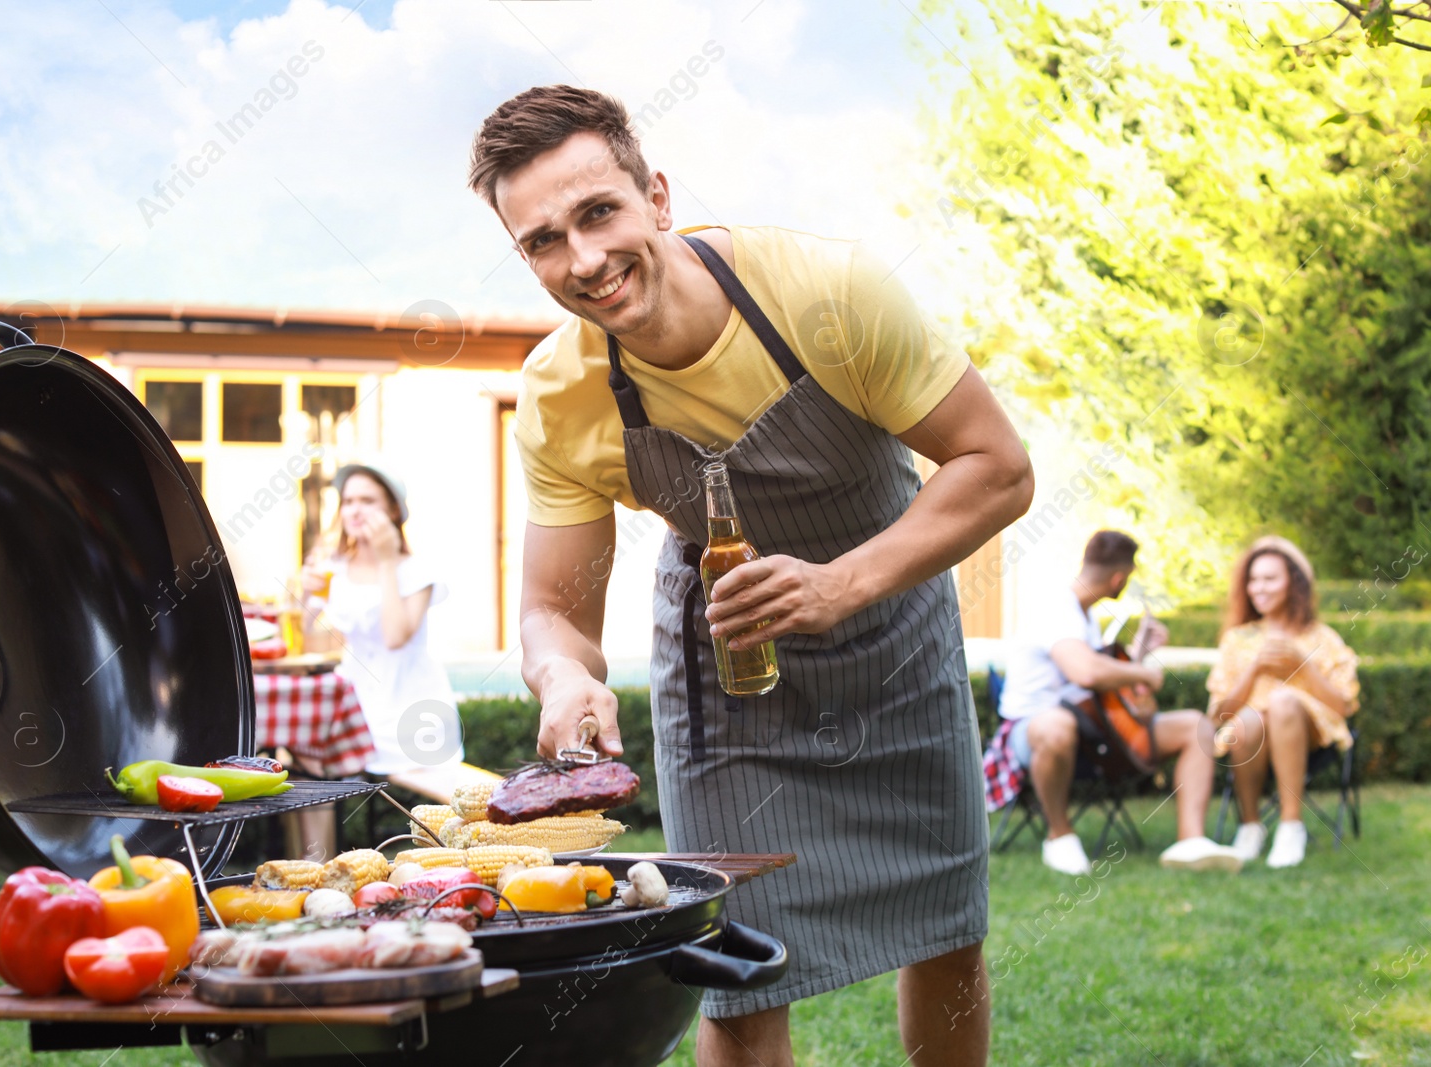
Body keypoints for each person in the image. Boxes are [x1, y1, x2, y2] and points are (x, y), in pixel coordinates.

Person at [469, 85, 1034, 1067]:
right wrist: (562, 673)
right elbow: (552, 613)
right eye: (544, 240)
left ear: (656, 195)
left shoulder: (827, 293)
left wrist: (840, 584)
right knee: (732, 963)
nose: (584, 259)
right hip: (731, 674)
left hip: (894, 639)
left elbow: (997, 467)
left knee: (946, 933)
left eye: (598, 211)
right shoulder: (560, 393)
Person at [983, 531, 1243, 875]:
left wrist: (1140, 655)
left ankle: (1190, 841)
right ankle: (1059, 837)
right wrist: (1143, 674)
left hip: (1095, 730)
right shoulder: (1056, 607)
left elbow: (1101, 690)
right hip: (1033, 733)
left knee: (1195, 725)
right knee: (1057, 723)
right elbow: (1085, 672)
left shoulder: (1085, 614)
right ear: (1119, 578)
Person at [1208, 536, 1359, 868]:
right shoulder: (1238, 639)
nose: (1259, 587)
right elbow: (1221, 714)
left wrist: (1302, 667)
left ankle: (1291, 826)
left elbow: (1344, 706)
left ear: (1295, 584)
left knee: (1283, 701)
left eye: (1270, 578)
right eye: (1253, 579)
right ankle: (1250, 826)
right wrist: (1255, 668)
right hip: (1249, 740)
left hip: (1312, 740)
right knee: (1246, 720)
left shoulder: (1323, 638)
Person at [302, 462, 463, 774]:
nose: (355, 511)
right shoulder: (333, 569)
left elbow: (395, 637)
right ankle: (335, 826)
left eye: (367, 501)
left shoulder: (417, 571)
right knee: (303, 758)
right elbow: (310, 641)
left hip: (410, 715)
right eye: (348, 502)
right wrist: (303, 597)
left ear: (392, 512)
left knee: (312, 757)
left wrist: (386, 561)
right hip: (355, 712)